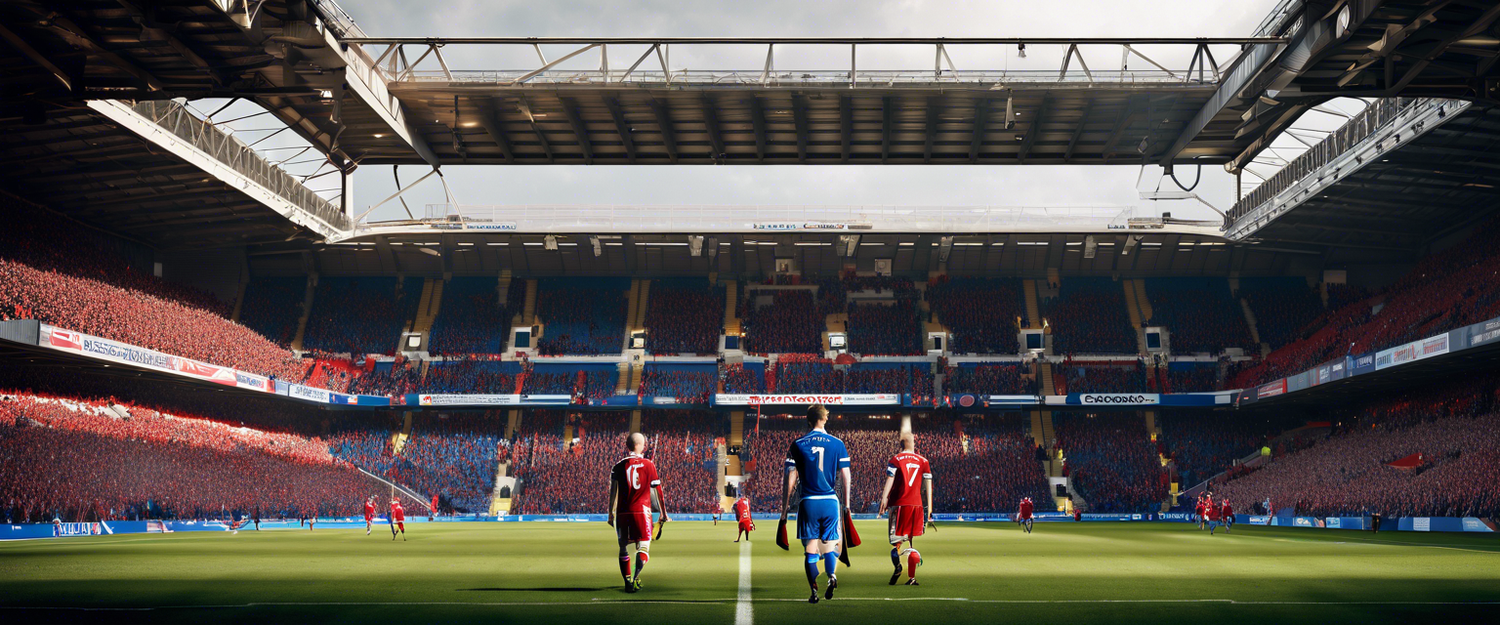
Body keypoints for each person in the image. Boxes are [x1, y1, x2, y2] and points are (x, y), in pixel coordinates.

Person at [780, 404, 851, 604]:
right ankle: (832, 576)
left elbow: (790, 477)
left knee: (811, 548)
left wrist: (785, 507)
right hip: (830, 500)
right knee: (829, 546)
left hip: (808, 501)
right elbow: (846, 475)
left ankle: (813, 592)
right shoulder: (837, 443)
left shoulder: (798, 443)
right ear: (825, 419)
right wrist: (846, 505)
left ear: (808, 420)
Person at [608, 432, 669, 593]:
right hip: (642, 512)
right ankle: (635, 578)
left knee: (623, 549)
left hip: (622, 513)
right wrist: (664, 513)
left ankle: (627, 581)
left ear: (628, 446)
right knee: (643, 548)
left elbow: (612, 492)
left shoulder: (618, 466)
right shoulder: (649, 465)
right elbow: (658, 491)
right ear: (642, 445)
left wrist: (610, 513)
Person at [879, 432, 932, 586]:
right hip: (917, 505)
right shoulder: (923, 461)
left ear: (900, 444)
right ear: (913, 443)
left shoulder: (895, 459)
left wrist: (884, 498)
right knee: (910, 542)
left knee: (896, 544)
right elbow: (928, 485)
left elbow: (890, 479)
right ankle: (912, 578)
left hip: (899, 504)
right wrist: (929, 507)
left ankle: (898, 567)